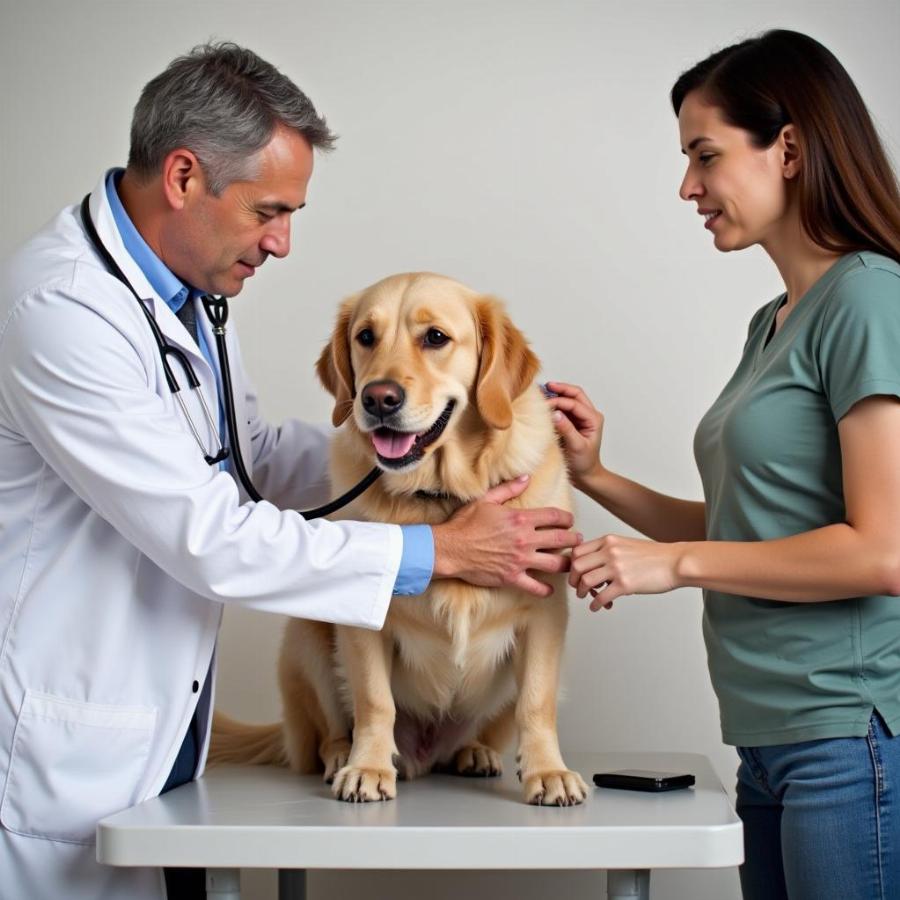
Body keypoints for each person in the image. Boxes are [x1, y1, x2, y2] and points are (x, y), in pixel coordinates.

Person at [0, 43, 578, 900]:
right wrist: (438, 551)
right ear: (185, 177)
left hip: (164, 742)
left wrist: (421, 465)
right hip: (70, 750)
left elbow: (254, 459)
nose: (282, 242)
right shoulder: (63, 310)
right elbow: (210, 536)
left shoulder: (189, 298)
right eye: (270, 210)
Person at [548, 29, 900, 900]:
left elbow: (882, 551)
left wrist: (671, 566)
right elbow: (757, 530)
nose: (688, 187)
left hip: (848, 741)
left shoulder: (867, 297)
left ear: (787, 147)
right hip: (768, 741)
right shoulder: (775, 321)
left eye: (705, 156)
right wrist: (597, 474)